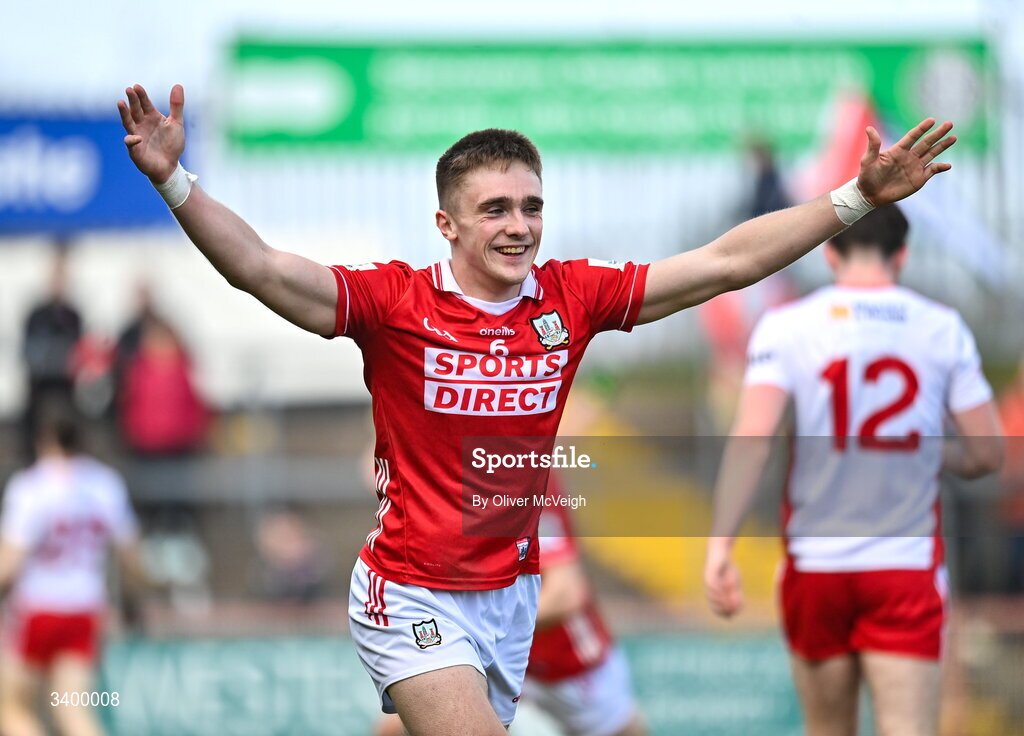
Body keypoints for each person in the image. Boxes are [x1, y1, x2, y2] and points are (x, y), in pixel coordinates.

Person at [118, 81, 956, 735]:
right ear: (445, 223)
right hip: (410, 593)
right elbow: (262, 268)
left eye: (531, 206)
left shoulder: (573, 298)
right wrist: (176, 182)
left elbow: (726, 263)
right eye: (495, 210)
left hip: (511, 597)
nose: (519, 226)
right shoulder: (395, 304)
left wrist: (854, 200)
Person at [703, 205, 1003, 736]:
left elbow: (754, 440)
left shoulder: (787, 325)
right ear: (902, 256)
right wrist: (937, 453)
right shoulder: (941, 327)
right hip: (904, 565)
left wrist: (720, 545)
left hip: (816, 566)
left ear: (829, 250)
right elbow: (987, 454)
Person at [376, 480, 647, 736]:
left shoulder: (524, 472)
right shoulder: (443, 470)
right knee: (396, 729)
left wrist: (475, 627)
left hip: (563, 656)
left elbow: (565, 594)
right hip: (486, 650)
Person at [0, 413, 146, 736]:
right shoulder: (105, 483)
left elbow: (10, 560)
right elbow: (131, 554)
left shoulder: (32, 486)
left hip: (38, 607)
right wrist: (136, 598)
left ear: (44, 440)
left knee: (12, 708)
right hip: (84, 608)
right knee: (72, 708)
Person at [20, 242, 82, 463]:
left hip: (65, 394)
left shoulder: (73, 315)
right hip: (41, 394)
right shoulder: (36, 315)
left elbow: (79, 352)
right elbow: (28, 352)